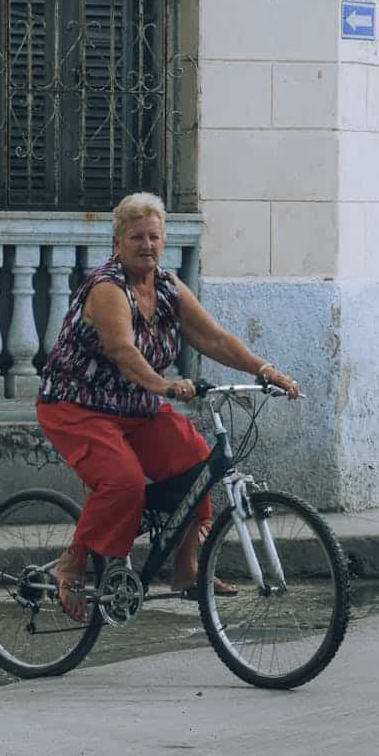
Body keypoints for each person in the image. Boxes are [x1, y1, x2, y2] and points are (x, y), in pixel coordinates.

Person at [36, 191, 300, 620]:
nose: (147, 245)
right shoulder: (107, 289)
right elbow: (122, 349)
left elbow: (214, 338)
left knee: (197, 462)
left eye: (154, 236)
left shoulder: (167, 286)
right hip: (78, 406)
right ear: (117, 243)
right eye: (136, 237)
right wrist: (164, 385)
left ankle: (185, 568)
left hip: (136, 406)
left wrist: (264, 369)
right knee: (124, 482)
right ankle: (71, 563)